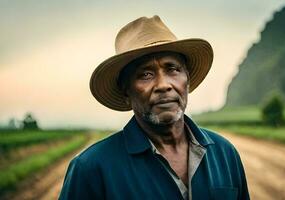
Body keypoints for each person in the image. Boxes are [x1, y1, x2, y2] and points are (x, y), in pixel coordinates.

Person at [59, 15, 250, 200]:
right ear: (126, 92)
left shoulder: (225, 153)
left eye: (172, 69)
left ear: (187, 81)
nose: (163, 85)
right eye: (146, 74)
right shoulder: (91, 170)